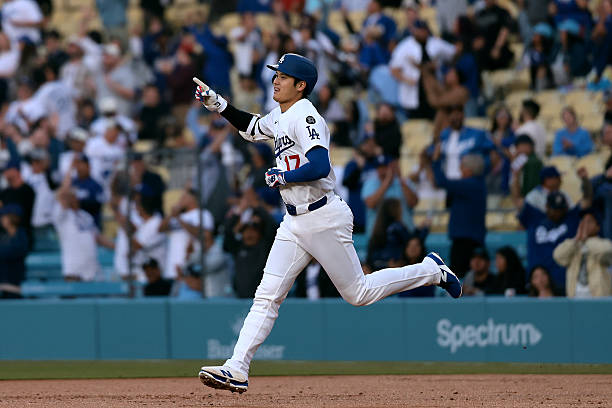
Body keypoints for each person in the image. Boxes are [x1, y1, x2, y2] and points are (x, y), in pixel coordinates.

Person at [193, 52, 462, 393]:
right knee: (267, 296)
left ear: (300, 85)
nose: (275, 79)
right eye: (276, 74)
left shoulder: (307, 116)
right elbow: (251, 128)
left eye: (283, 76)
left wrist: (284, 175)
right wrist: (219, 104)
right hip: (293, 223)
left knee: (358, 294)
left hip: (322, 217)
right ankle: (237, 368)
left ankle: (431, 271)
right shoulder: (281, 114)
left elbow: (320, 165)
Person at [432, 148, 487, 278]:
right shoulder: (475, 185)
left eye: (462, 166)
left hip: (465, 241)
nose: (460, 169)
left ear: (470, 169)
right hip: (467, 238)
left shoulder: (471, 184)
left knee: (459, 276)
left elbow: (441, 182)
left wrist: (436, 161)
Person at [553, 209, 612, 298]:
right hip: (575, 297)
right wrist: (576, 240)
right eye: (583, 221)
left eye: (589, 221)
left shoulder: (605, 243)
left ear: (597, 227)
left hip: (598, 298)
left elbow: (606, 251)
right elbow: (558, 256)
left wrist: (587, 240)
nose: (585, 225)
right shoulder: (574, 245)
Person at [0, 204, 28, 293]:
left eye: (4, 217)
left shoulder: (21, 235)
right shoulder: (4, 236)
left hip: (14, 277)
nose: (2, 219)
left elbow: (17, 251)